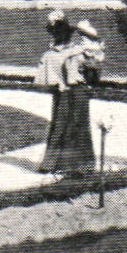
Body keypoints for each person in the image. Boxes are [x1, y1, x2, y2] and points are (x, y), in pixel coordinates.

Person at [35, 11, 97, 172]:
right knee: (76, 125)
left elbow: (45, 82)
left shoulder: (50, 55)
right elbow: (93, 75)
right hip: (75, 92)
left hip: (63, 93)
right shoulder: (80, 51)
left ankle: (55, 163)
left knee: (61, 125)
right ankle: (79, 164)